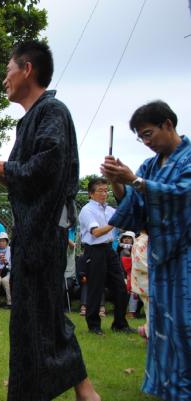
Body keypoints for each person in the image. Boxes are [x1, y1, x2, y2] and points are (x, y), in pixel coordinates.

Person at [0, 40, 100, 401]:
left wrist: (2, 168)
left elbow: (49, 166)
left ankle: (84, 392)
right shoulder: (29, 120)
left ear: (27, 69)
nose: (4, 79)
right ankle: (40, 390)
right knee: (31, 315)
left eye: (8, 69)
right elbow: (24, 176)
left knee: (44, 313)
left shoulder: (52, 111)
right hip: (30, 233)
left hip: (45, 232)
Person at [101, 100, 190, 401]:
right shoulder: (151, 166)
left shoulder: (188, 158)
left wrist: (135, 181)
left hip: (186, 258)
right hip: (161, 258)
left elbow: (182, 195)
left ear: (168, 124)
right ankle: (169, 389)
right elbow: (135, 207)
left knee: (185, 324)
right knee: (162, 324)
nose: (147, 142)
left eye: (149, 134)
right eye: (141, 137)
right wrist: (118, 184)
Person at [78, 177, 132, 335]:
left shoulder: (110, 210)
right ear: (91, 194)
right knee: (96, 288)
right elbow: (96, 232)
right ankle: (94, 325)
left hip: (109, 249)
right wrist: (114, 223)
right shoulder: (87, 210)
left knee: (121, 287)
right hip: (94, 251)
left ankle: (120, 323)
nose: (104, 194)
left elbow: (123, 222)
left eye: (105, 190)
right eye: (100, 191)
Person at [117, 231, 136, 318]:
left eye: (129, 238)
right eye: (125, 238)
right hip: (122, 276)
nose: (127, 240)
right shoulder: (120, 250)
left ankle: (132, 312)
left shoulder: (137, 250)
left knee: (133, 291)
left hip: (135, 276)